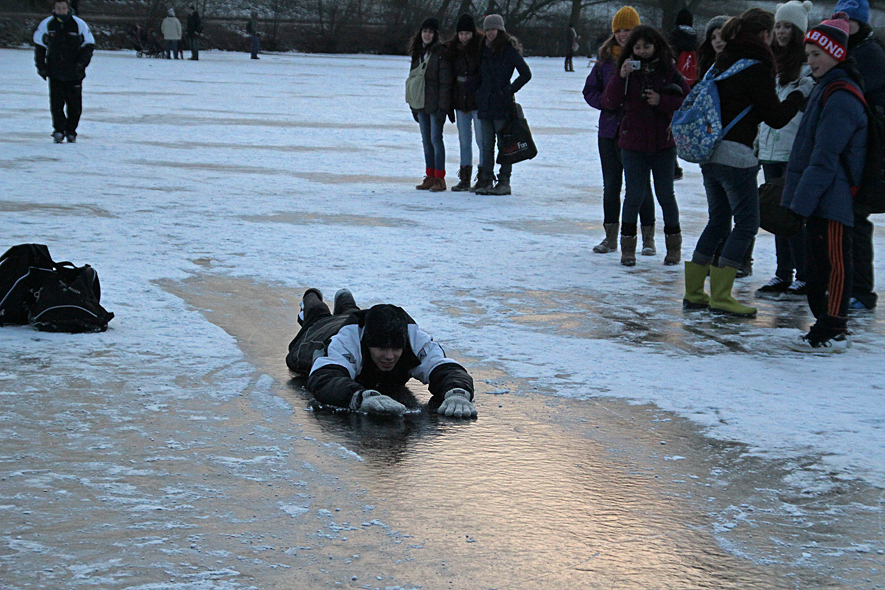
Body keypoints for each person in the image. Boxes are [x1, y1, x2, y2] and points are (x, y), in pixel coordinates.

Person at [683, 8, 807, 316]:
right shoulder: (757, 64)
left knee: (717, 221)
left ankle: (695, 292)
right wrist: (799, 94)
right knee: (748, 223)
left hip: (709, 155)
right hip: (737, 157)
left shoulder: (722, 62)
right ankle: (723, 295)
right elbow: (775, 117)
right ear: (764, 35)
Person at [783, 14, 867, 350]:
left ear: (836, 53)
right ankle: (825, 321)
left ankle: (834, 326)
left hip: (834, 198)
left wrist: (799, 202)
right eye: (808, 55)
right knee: (817, 265)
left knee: (834, 265)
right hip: (820, 194)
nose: (811, 61)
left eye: (817, 54)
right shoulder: (824, 89)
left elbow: (825, 156)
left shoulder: (842, 96)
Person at [286, 289, 477, 418]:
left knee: (352, 312)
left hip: (361, 320)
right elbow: (324, 378)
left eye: (395, 349)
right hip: (322, 332)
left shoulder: (414, 338)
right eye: (381, 348)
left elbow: (445, 367)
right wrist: (359, 397)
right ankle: (311, 296)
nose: (389, 356)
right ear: (367, 344)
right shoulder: (346, 342)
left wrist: (457, 392)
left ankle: (346, 301)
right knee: (318, 315)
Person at [601, 25, 690, 267]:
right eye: (637, 47)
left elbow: (688, 101)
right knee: (633, 195)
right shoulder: (626, 70)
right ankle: (627, 247)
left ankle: (673, 246)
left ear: (656, 46)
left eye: (646, 47)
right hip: (632, 143)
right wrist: (621, 77)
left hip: (663, 143)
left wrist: (662, 101)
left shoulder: (669, 71)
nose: (642, 52)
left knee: (665, 195)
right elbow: (609, 101)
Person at [583, 6, 656, 255]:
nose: (624, 35)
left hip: (637, 130)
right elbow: (590, 90)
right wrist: (605, 101)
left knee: (641, 185)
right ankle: (610, 236)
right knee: (611, 185)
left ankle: (647, 237)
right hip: (609, 131)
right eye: (620, 30)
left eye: (629, 30)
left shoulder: (648, 58)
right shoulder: (605, 59)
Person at [755, 0, 815, 301]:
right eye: (778, 25)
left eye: (787, 26)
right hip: (769, 149)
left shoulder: (807, 67)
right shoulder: (769, 62)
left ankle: (804, 275)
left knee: (793, 214)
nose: (780, 31)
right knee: (774, 213)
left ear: (799, 30)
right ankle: (783, 272)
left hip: (793, 150)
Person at [834, 0, 883, 311]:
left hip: (868, 151)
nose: (844, 25)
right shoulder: (851, 51)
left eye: (848, 21)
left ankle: (862, 292)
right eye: (839, 19)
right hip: (855, 148)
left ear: (860, 23)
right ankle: (849, 285)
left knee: (856, 219)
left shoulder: (868, 54)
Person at [475, 14, 532, 195]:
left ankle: (504, 181)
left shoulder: (508, 50)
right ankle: (486, 180)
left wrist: (509, 90)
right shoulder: (482, 49)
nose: (490, 33)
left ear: (500, 30)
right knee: (486, 144)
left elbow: (526, 74)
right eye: (488, 29)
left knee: (504, 144)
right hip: (485, 103)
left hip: (501, 104)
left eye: (493, 29)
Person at [33, 0, 94, 144]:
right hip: (55, 72)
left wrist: (81, 65)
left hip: (74, 72)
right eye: (58, 8)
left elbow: (89, 46)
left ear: (68, 9)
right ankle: (59, 130)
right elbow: (39, 47)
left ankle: (71, 131)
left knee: (74, 105)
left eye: (63, 8)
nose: (61, 10)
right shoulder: (47, 24)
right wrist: (41, 67)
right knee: (56, 104)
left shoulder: (79, 24)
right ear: (54, 9)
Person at [408, 17, 453, 192]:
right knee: (426, 141)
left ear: (436, 35)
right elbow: (413, 81)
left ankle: (440, 178)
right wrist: (413, 105)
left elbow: (445, 83)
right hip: (421, 104)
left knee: (435, 140)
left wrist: (443, 107)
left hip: (435, 104)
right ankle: (430, 176)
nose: (427, 34)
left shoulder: (440, 53)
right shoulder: (417, 53)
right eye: (425, 31)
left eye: (430, 32)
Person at [446, 14, 485, 191]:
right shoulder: (453, 50)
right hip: (460, 102)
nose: (464, 37)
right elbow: (451, 78)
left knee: (481, 140)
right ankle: (465, 178)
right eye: (461, 33)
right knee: (464, 140)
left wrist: (474, 81)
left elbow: (485, 74)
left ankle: (483, 176)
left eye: (467, 33)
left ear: (472, 33)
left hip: (477, 102)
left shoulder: (481, 47)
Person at [697, 15, 730, 81]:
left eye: (721, 35)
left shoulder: (743, 64)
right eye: (713, 37)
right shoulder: (707, 67)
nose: (718, 40)